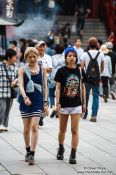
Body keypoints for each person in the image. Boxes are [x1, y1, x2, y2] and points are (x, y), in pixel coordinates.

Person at [54, 47, 86, 164]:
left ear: (76, 57)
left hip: (76, 104)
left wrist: (84, 103)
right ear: (66, 58)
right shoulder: (61, 71)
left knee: (74, 130)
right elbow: (57, 88)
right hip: (63, 104)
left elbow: (82, 88)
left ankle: (73, 153)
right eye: (69, 55)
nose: (71, 57)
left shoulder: (80, 71)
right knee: (62, 130)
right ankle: (61, 148)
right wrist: (57, 103)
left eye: (73, 55)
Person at [18, 47, 47, 165]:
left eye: (34, 56)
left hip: (38, 100)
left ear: (37, 56)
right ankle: (27, 149)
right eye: (30, 57)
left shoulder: (42, 69)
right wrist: (25, 97)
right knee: (26, 129)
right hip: (26, 100)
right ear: (26, 58)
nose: (32, 59)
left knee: (35, 127)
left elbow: (44, 86)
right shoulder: (22, 70)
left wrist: (45, 102)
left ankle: (32, 154)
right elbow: (20, 85)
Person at [81, 37, 104, 122]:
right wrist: (98, 75)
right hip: (96, 80)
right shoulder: (101, 54)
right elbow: (102, 68)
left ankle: (84, 112)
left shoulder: (84, 54)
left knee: (85, 96)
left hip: (87, 79)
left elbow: (82, 68)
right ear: (97, 44)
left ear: (88, 44)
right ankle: (94, 115)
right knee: (96, 97)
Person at [0, 49, 18, 132]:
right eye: (14, 57)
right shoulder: (1, 66)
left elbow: (18, 76)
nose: (16, 58)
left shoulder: (15, 66)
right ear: (9, 57)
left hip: (10, 92)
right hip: (1, 91)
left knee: (7, 109)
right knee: (2, 108)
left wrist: (15, 81)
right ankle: (0, 124)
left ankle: (4, 125)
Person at [35, 40, 52, 126]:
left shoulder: (48, 57)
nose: (41, 48)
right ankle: (37, 118)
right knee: (38, 99)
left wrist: (41, 69)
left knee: (46, 100)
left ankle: (41, 117)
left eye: (43, 46)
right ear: (36, 47)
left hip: (46, 81)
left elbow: (50, 69)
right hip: (36, 80)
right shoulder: (34, 57)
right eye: (40, 46)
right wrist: (45, 69)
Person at [49, 44, 65, 118]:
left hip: (53, 77)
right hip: (62, 78)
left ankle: (53, 107)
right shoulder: (65, 57)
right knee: (60, 94)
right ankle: (58, 110)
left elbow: (50, 68)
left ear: (55, 50)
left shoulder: (51, 58)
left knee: (51, 94)